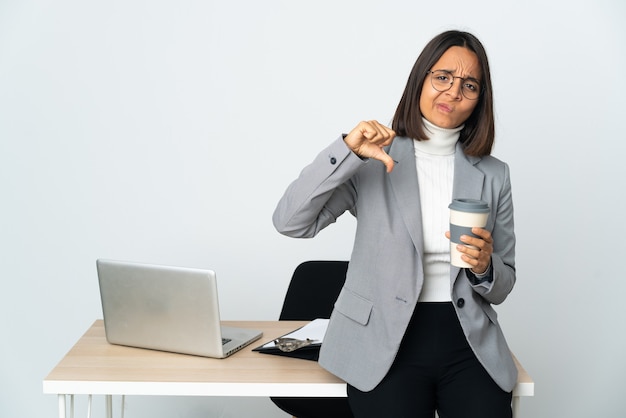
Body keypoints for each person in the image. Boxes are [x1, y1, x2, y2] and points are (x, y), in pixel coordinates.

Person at [273, 30, 517, 418]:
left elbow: (504, 283)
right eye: (442, 77)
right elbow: (289, 222)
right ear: (420, 79)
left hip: (466, 339)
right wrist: (347, 151)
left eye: (469, 85)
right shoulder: (373, 158)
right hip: (382, 339)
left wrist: (486, 265)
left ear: (479, 99)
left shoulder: (494, 175)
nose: (453, 92)